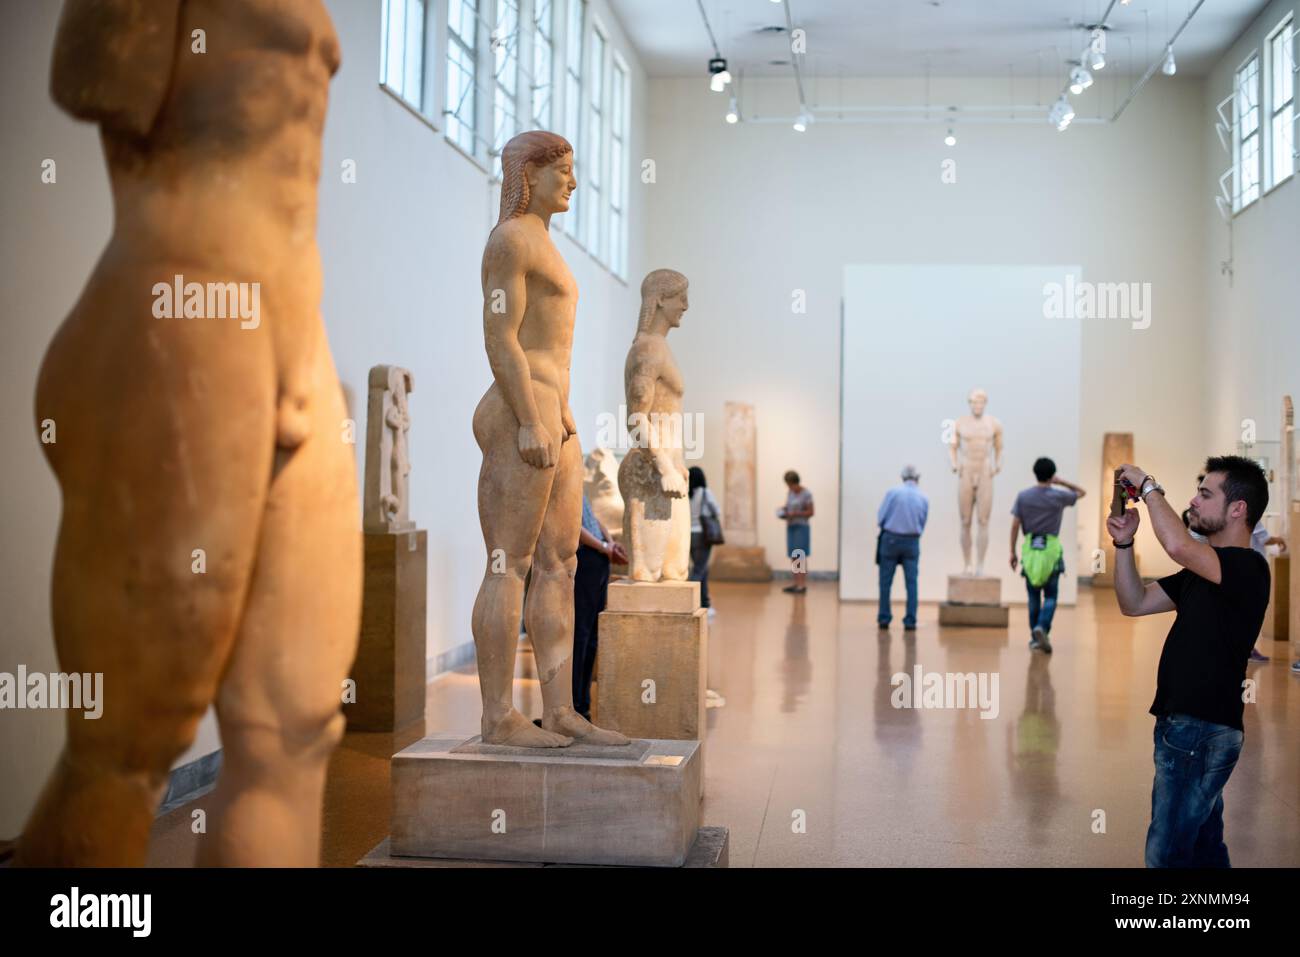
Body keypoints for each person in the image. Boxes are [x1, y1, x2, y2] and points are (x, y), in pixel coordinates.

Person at [1108, 456, 1270, 868]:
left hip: (1200, 729)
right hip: (1186, 727)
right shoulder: (1203, 572)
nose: (1193, 502)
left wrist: (1147, 486)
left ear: (1238, 509)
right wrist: (1124, 545)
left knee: (1168, 853)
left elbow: (1178, 545)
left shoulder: (1248, 567)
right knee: (1202, 848)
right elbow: (1134, 602)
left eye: (1205, 494)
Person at [1008, 457, 1086, 654]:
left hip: (1030, 551)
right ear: (1051, 475)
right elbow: (1081, 492)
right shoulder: (1058, 496)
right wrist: (1060, 482)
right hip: (1051, 550)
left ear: (1035, 473)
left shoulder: (1023, 497)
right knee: (1050, 595)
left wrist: (1012, 552)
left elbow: (1015, 525)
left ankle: (1035, 638)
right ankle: (1041, 628)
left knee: (1033, 596)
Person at [572, 493, 627, 721]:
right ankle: (573, 703)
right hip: (585, 558)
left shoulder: (578, 485)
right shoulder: (559, 484)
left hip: (598, 559)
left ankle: (584, 702)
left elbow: (593, 520)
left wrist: (610, 544)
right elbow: (574, 528)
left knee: (593, 635)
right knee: (581, 634)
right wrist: (604, 547)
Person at [876, 465, 929, 631]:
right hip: (912, 541)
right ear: (917, 478)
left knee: (885, 582)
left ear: (903, 477)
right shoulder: (923, 497)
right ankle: (910, 620)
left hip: (890, 539)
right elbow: (923, 521)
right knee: (911, 583)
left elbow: (880, 517)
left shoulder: (893, 493)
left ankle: (884, 618)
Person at [688, 466, 720, 615]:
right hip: (702, 535)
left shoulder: (685, 494)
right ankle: (689, 601)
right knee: (699, 570)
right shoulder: (705, 493)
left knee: (702, 569)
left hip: (688, 535)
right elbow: (717, 510)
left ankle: (704, 603)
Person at [779, 470, 814, 593]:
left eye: (790, 484)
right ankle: (795, 583)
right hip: (791, 526)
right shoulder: (790, 493)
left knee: (800, 555)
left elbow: (810, 512)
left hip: (801, 527)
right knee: (794, 556)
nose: (789, 487)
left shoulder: (806, 494)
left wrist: (796, 513)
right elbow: (788, 506)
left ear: (795, 482)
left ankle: (802, 584)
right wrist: (784, 511)